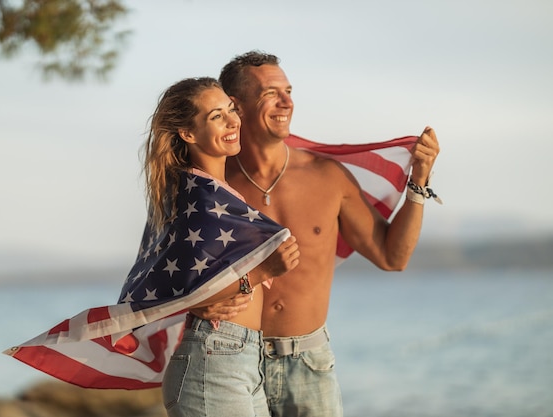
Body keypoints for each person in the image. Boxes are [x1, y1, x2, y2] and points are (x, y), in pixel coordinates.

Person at [190, 51, 440, 416]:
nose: (287, 102)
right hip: (230, 360)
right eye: (269, 93)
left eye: (289, 91)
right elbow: (174, 273)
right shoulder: (213, 183)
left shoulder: (327, 177)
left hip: (308, 363)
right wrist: (199, 303)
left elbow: (392, 257)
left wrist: (418, 182)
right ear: (236, 106)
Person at [144, 76, 300, 417]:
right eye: (217, 116)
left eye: (231, 110)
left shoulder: (217, 193)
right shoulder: (198, 197)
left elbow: (193, 284)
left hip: (242, 358)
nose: (233, 121)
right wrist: (263, 271)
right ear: (188, 133)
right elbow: (187, 290)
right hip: (214, 361)